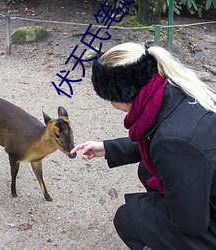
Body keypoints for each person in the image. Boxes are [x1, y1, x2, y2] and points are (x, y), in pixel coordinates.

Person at [70, 42, 216, 250]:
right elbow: (160, 139)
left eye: (109, 98)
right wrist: (108, 148)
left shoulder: (173, 142)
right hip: (207, 187)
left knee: (128, 218)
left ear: (121, 93)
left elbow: (191, 224)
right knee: (147, 170)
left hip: (207, 222)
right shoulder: (175, 88)